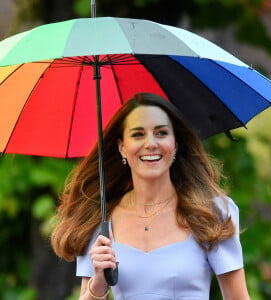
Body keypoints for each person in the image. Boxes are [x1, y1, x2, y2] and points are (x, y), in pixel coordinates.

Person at [51, 92, 250, 300]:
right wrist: (98, 285)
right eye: (138, 134)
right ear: (122, 148)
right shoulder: (99, 221)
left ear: (175, 144)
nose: (151, 143)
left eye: (161, 133)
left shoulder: (212, 213)